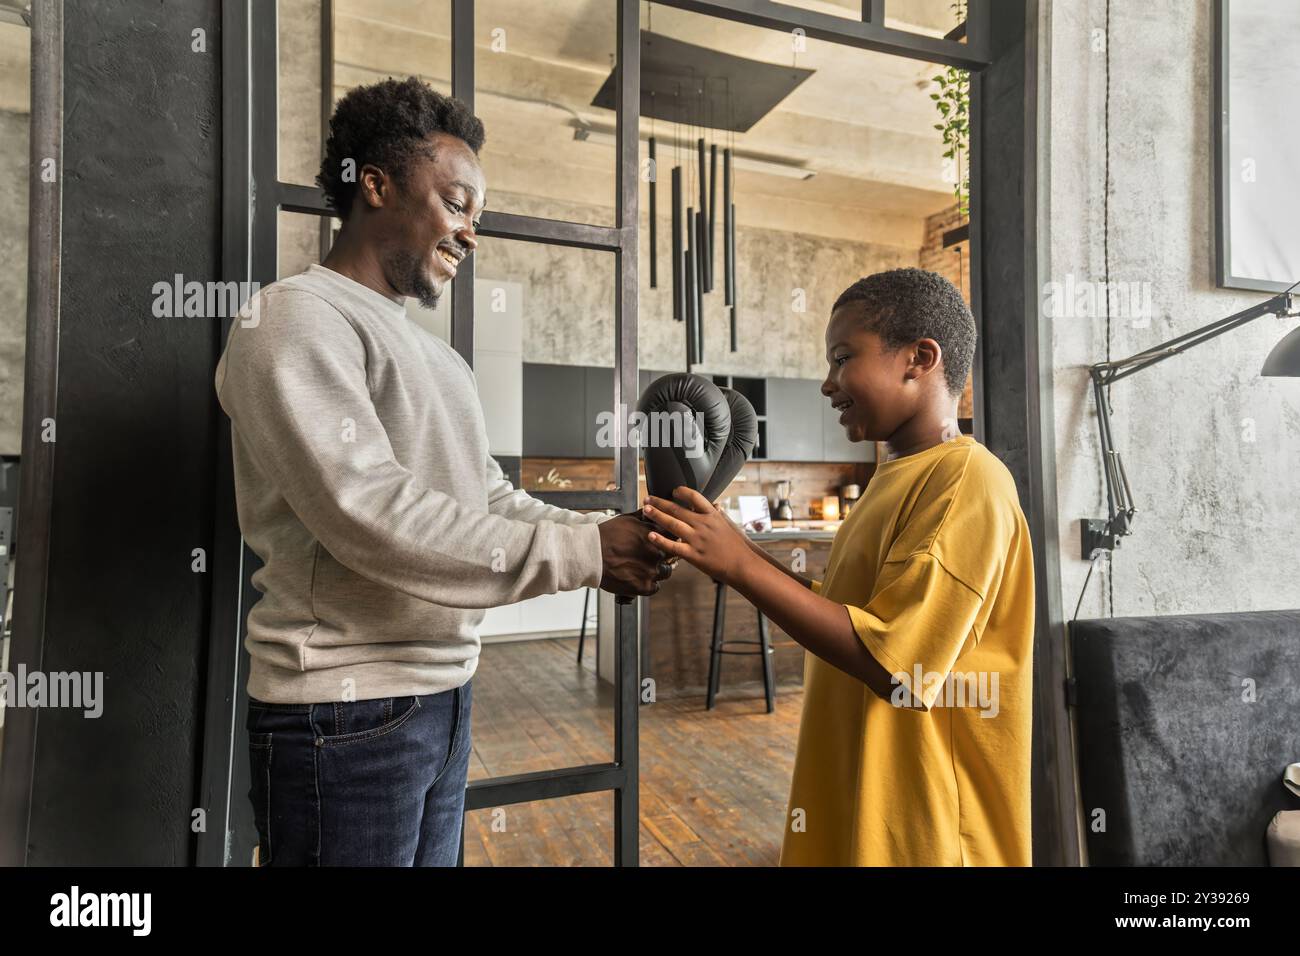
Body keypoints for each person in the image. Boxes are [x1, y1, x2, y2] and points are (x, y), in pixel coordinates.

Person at [214, 77, 669, 866]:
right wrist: (588, 554)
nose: (470, 232)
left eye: (477, 216)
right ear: (377, 184)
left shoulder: (441, 361)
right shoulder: (290, 320)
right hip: (342, 712)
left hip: (444, 695)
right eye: (457, 203)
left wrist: (601, 532)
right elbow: (365, 512)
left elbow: (486, 497)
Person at [642, 268, 1035, 866]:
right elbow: (849, 612)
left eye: (842, 357)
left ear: (919, 358)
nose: (828, 383)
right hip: (869, 807)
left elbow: (898, 666)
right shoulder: (898, 474)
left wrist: (742, 567)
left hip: (929, 833)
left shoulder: (966, 482)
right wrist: (731, 552)